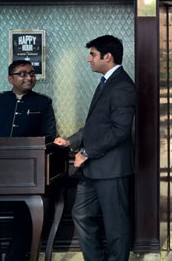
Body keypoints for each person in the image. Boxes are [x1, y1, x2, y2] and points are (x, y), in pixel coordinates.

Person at [54, 35, 136, 261]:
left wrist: (86, 152)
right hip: (93, 169)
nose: (89, 59)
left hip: (112, 170)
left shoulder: (122, 86)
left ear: (107, 56)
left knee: (116, 224)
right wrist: (71, 141)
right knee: (81, 214)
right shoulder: (107, 83)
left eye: (92, 54)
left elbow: (120, 130)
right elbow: (96, 125)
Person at [0, 59, 57, 261]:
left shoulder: (43, 103)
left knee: (25, 212)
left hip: (27, 172)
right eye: (22, 74)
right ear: (10, 79)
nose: (29, 77)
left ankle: (16, 257)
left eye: (31, 73)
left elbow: (48, 136)